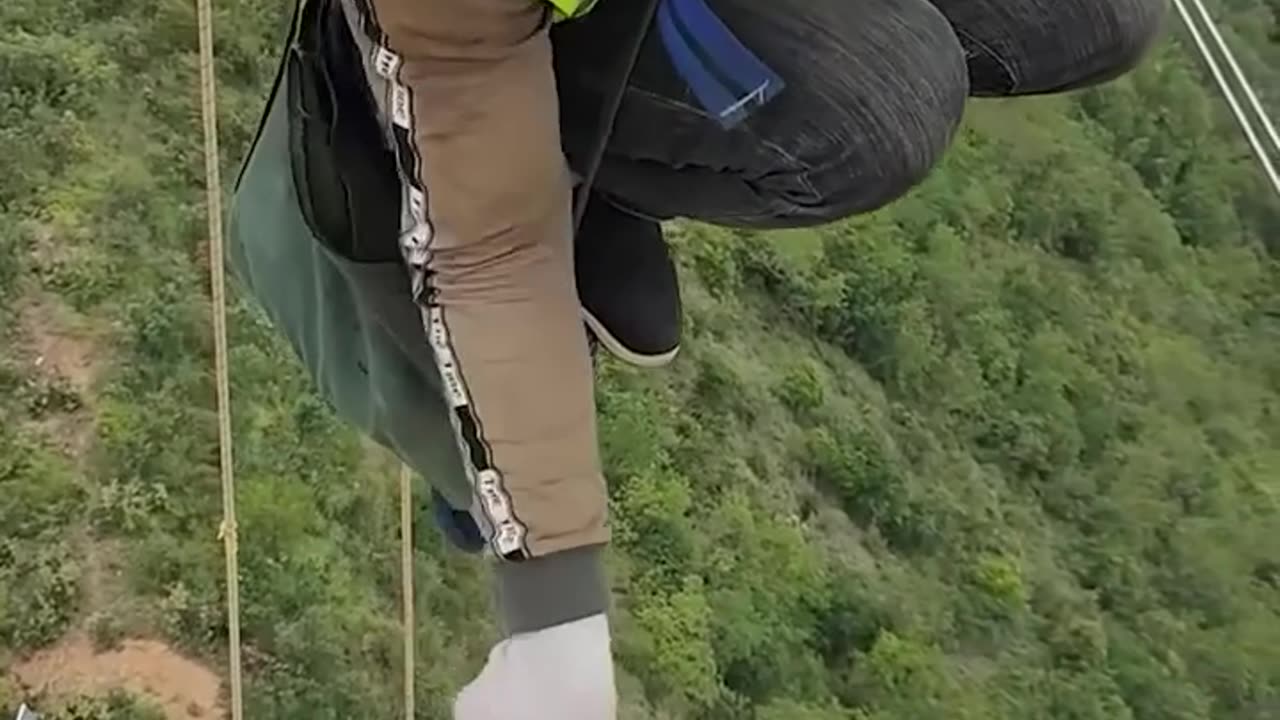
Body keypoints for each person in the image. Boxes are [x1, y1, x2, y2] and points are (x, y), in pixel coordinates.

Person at [306, 0, 1169, 716]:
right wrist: (552, 619)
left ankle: (617, 139)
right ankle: (566, 147)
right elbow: (487, 251)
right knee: (884, 105)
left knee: (1107, 12)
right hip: (462, 50)